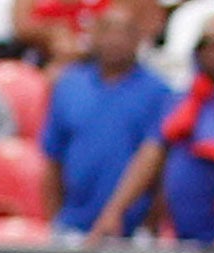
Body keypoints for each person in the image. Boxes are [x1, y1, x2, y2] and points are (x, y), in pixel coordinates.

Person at [85, 12, 214, 252]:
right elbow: (149, 157)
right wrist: (115, 211)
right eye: (207, 46)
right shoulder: (181, 101)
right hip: (180, 234)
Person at [39, 1, 170, 237]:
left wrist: (149, 225)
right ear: (94, 35)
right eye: (108, 30)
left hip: (133, 231)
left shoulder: (159, 92)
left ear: (139, 38)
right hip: (71, 226)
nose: (115, 39)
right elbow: (53, 159)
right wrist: (54, 220)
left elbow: (160, 164)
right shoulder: (69, 85)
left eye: (124, 32)